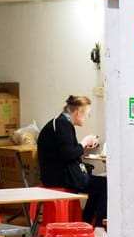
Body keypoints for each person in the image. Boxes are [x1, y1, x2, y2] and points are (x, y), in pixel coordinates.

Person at [36, 94, 107, 227]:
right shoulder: (63, 125)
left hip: (53, 175)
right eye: (87, 114)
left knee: (97, 185)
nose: (88, 117)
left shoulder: (58, 123)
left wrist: (82, 146)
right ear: (78, 112)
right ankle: (97, 228)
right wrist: (83, 143)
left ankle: (85, 224)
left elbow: (65, 151)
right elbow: (69, 154)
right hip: (60, 178)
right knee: (105, 185)